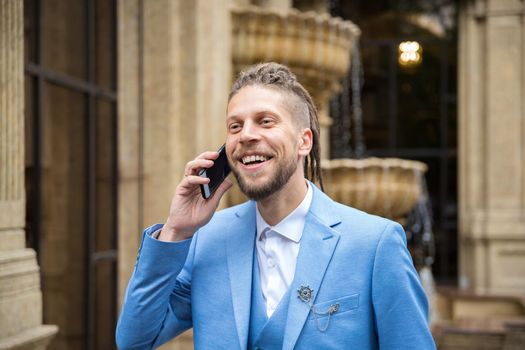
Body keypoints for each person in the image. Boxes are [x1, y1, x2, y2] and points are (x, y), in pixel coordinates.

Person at [116, 62, 436, 349]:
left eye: (266, 121)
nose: (247, 135)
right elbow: (134, 339)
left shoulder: (374, 244)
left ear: (304, 141)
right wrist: (175, 230)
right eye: (235, 126)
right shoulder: (207, 239)